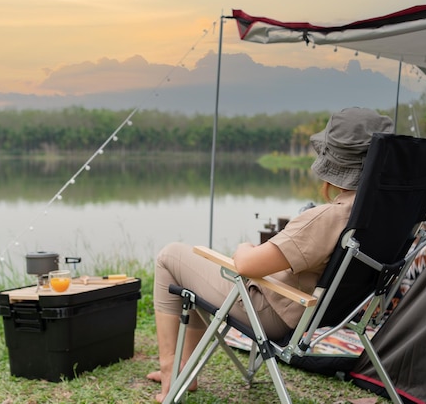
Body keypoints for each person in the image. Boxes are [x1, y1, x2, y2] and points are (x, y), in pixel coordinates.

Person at [146, 107, 395, 402]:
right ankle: (184, 370)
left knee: (169, 257)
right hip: (324, 312)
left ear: (336, 164)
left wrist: (244, 247)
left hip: (270, 310)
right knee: (196, 276)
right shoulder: (385, 215)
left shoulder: (329, 217)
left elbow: (246, 264)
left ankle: (171, 374)